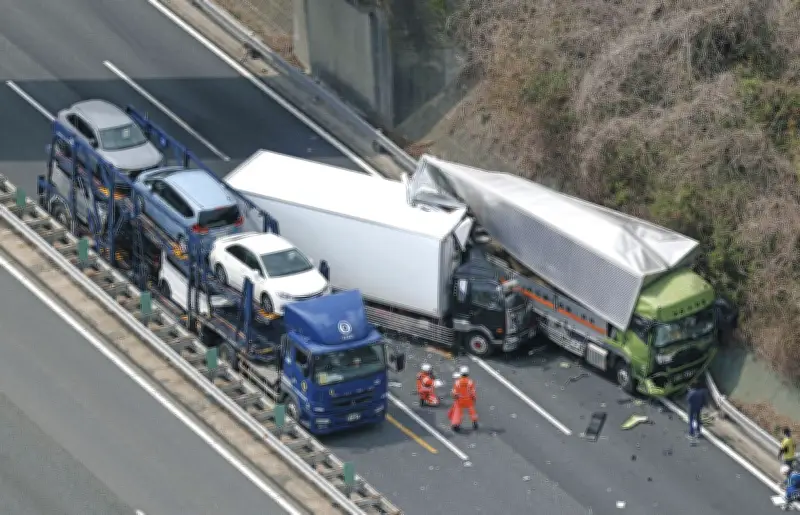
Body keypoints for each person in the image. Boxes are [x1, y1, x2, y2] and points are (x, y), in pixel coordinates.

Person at [449, 365, 478, 432]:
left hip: (460, 399)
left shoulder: (457, 382)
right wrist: (474, 398)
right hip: (468, 399)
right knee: (472, 410)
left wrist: (454, 397)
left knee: (457, 412)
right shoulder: (470, 382)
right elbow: (473, 392)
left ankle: (456, 424)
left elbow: (454, 392)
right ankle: (474, 422)